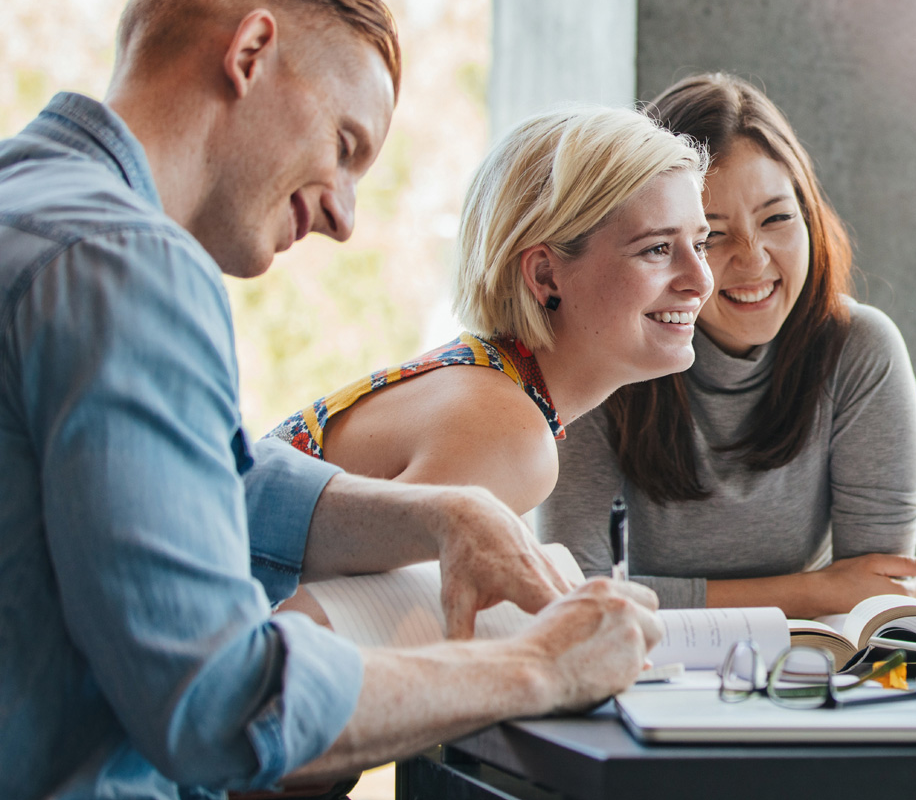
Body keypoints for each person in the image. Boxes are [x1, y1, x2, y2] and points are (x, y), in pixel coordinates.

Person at [0, 2, 666, 797]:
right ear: (250, 51)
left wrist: (445, 515)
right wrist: (538, 665)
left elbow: (197, 481)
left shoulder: (31, 205)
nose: (345, 218)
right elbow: (225, 706)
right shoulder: (128, 264)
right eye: (344, 146)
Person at [541, 73, 916, 619]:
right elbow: (576, 594)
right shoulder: (603, 350)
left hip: (808, 671)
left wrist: (836, 594)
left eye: (777, 218)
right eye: (711, 235)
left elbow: (874, 593)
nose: (752, 260)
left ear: (810, 216)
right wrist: (813, 591)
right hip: (643, 672)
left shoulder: (859, 349)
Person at [266, 105, 715, 518]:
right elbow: (314, 603)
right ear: (545, 275)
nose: (701, 280)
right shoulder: (508, 436)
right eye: (657, 249)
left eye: (700, 245)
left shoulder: (488, 384)